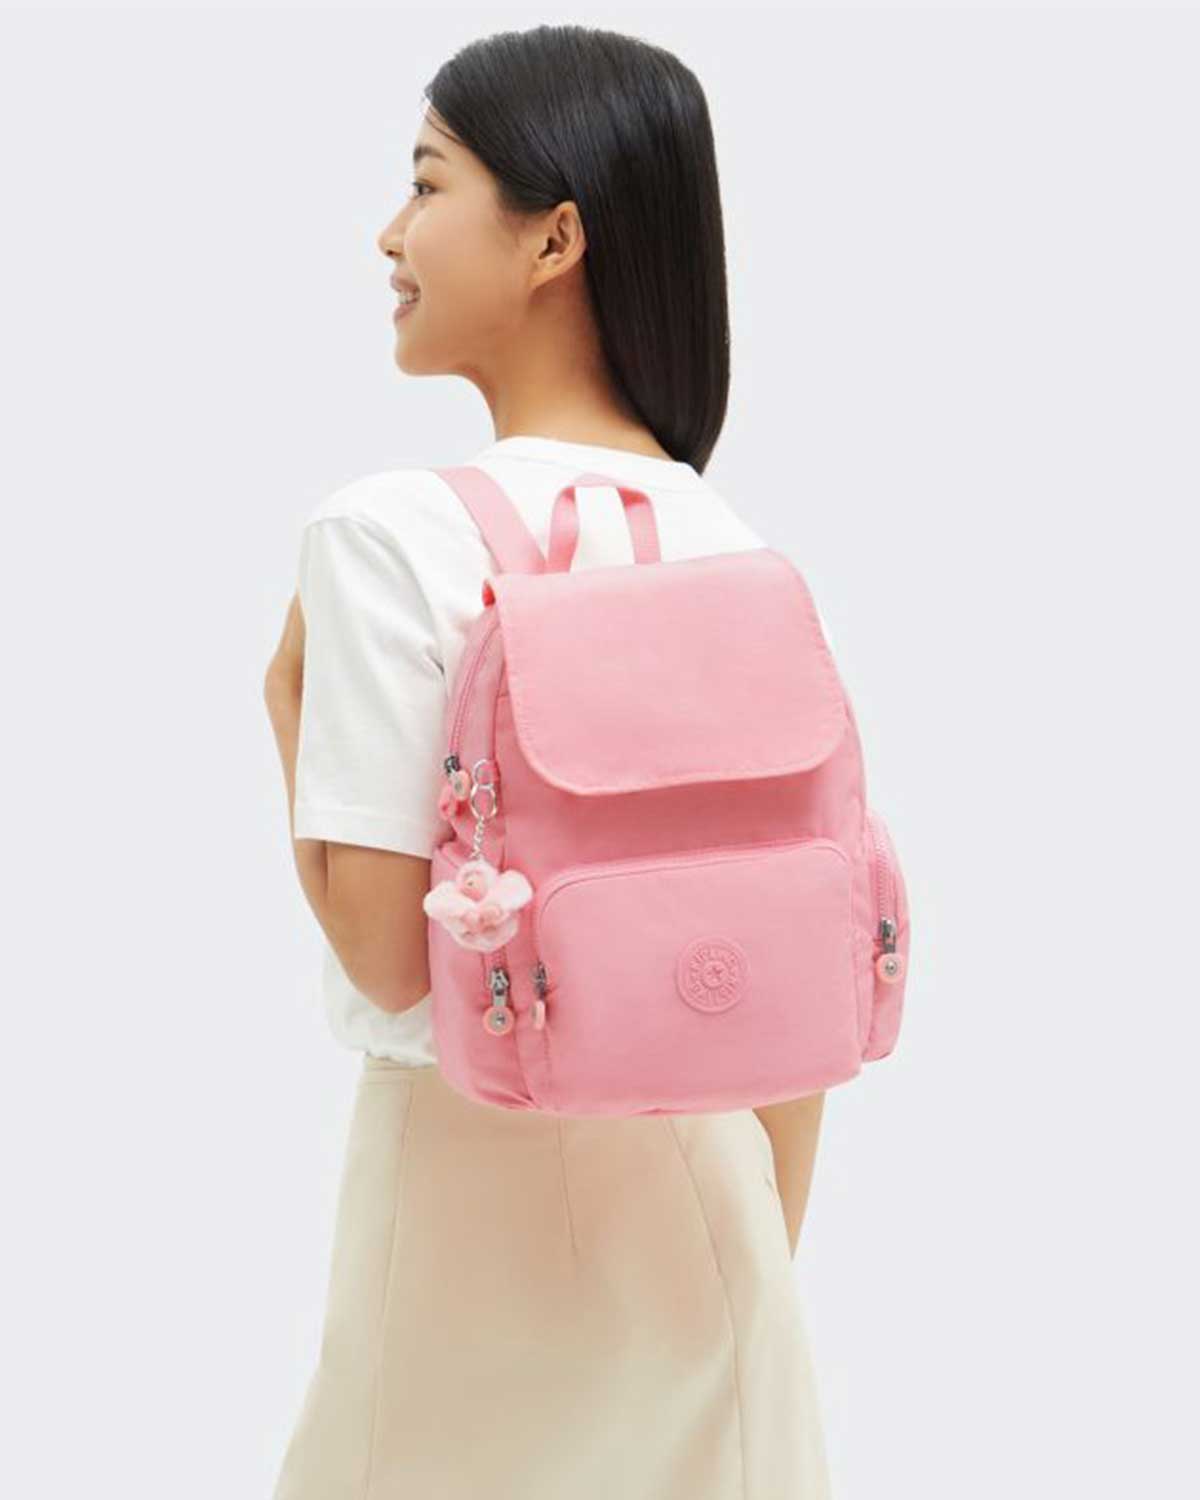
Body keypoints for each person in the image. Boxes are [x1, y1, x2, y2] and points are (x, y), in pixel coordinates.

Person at [263, 24, 832, 1499]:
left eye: (426, 183)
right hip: (723, 1204)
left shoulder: (388, 532)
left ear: (554, 238)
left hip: (467, 1207)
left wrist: (285, 707)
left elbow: (389, 954)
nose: (390, 235)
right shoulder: (737, 544)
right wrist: (757, 1283)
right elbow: (797, 970)